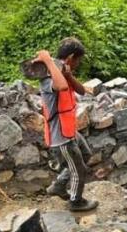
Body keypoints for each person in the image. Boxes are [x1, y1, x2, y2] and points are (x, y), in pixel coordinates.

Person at [35, 37, 98, 212]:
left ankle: (59, 185)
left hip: (69, 129)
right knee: (79, 170)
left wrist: (69, 74)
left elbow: (80, 90)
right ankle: (75, 201)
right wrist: (47, 61)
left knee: (85, 154)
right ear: (71, 57)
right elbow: (61, 87)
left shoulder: (63, 71)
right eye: (78, 60)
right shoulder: (48, 77)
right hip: (60, 137)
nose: (79, 63)